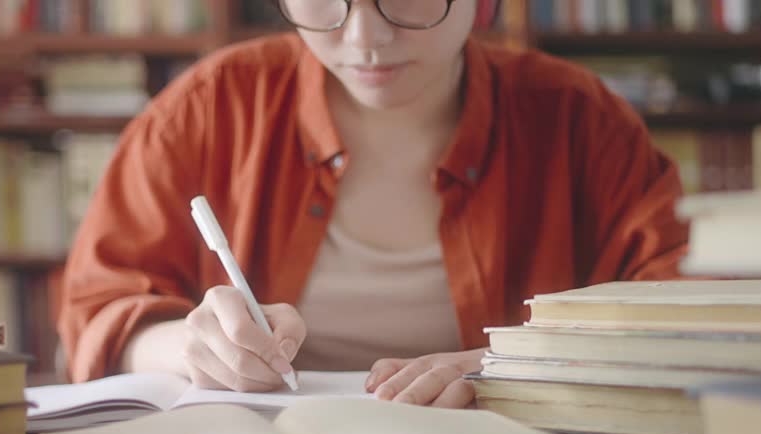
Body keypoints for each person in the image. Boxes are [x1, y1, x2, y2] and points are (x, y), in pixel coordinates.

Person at [58, 0, 689, 408]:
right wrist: (183, 346)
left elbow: (696, 311)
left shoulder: (578, 121)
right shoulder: (211, 107)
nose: (365, 37)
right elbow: (97, 311)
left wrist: (516, 365)